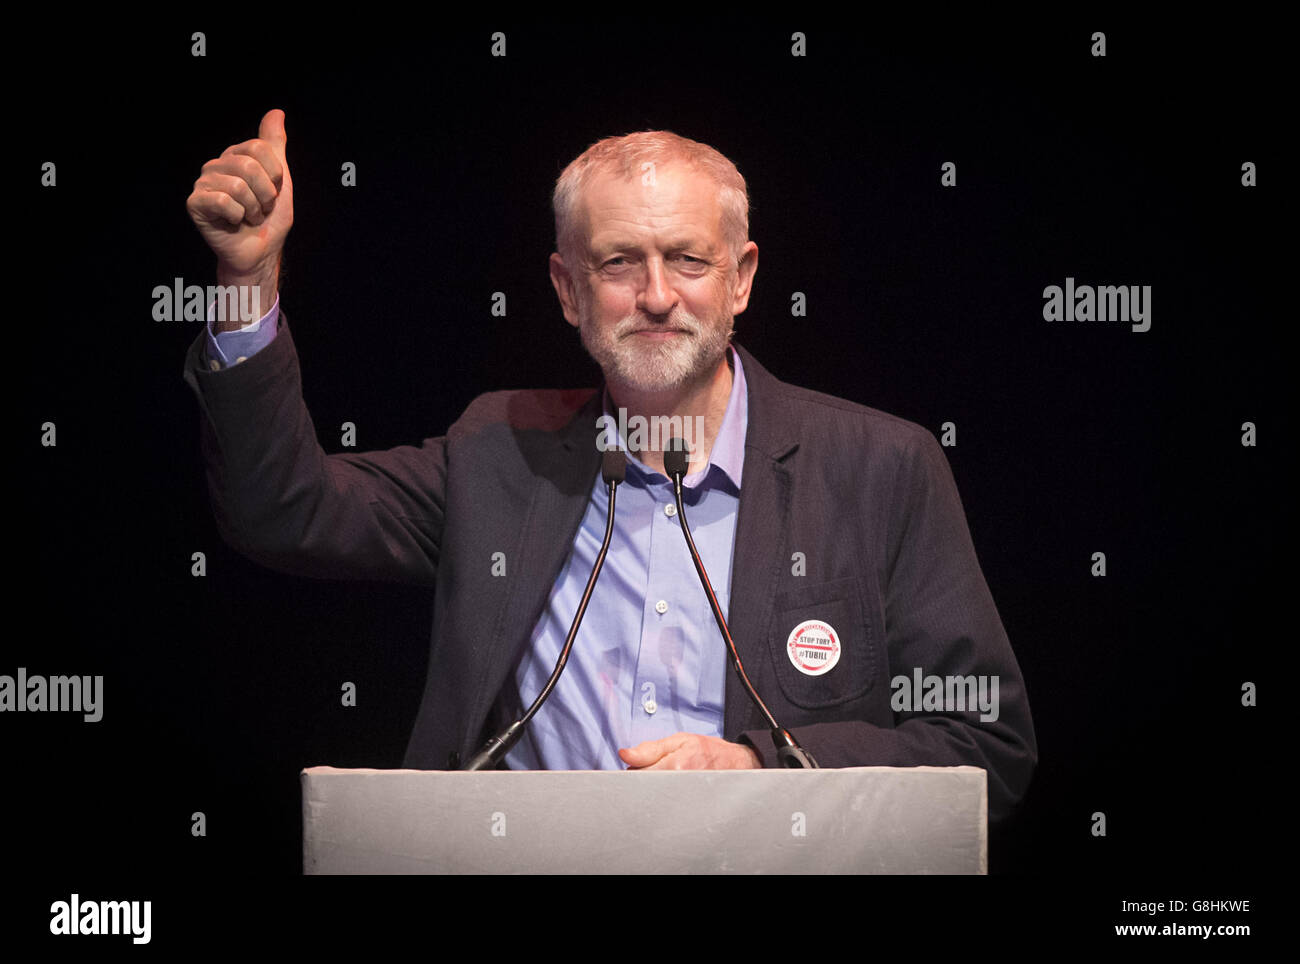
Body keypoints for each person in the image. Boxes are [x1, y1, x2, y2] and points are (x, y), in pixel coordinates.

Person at [183, 109, 1037, 822]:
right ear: (566, 289)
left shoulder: (880, 469)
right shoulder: (500, 450)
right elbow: (280, 510)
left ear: (741, 280)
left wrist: (759, 771)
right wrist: (246, 278)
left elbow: (984, 744)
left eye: (689, 260)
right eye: (620, 262)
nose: (658, 295)